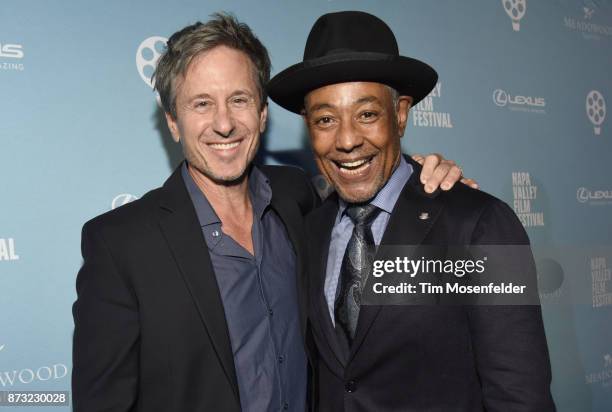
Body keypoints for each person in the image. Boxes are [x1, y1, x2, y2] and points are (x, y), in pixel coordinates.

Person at [72, 13, 471, 412]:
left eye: (239, 100)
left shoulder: (297, 197)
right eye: (201, 104)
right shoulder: (120, 245)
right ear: (173, 122)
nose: (224, 123)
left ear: (262, 113)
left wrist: (425, 185)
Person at [268, 11, 556, 412]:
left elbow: (519, 395)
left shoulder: (479, 225)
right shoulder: (310, 230)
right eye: (326, 119)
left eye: (367, 114)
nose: (347, 140)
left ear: (400, 114)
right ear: (308, 126)